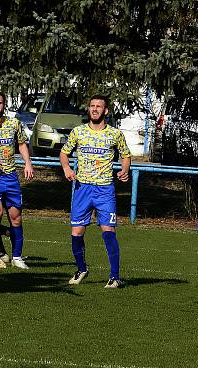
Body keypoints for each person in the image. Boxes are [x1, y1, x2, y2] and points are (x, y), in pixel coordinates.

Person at [60, 95, 131, 288]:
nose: (95, 109)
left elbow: (126, 155)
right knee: (76, 232)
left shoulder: (115, 134)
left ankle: (114, 276)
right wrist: (66, 168)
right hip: (82, 188)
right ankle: (81, 269)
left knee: (108, 231)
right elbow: (64, 153)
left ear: (105, 111)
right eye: (92, 106)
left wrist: (125, 170)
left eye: (99, 106)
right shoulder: (78, 132)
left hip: (104, 189)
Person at [0, 91, 34, 270]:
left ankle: (17, 256)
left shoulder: (14, 123)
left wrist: (28, 163)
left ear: (4, 104)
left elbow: (21, 144)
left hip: (11, 177)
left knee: (16, 218)